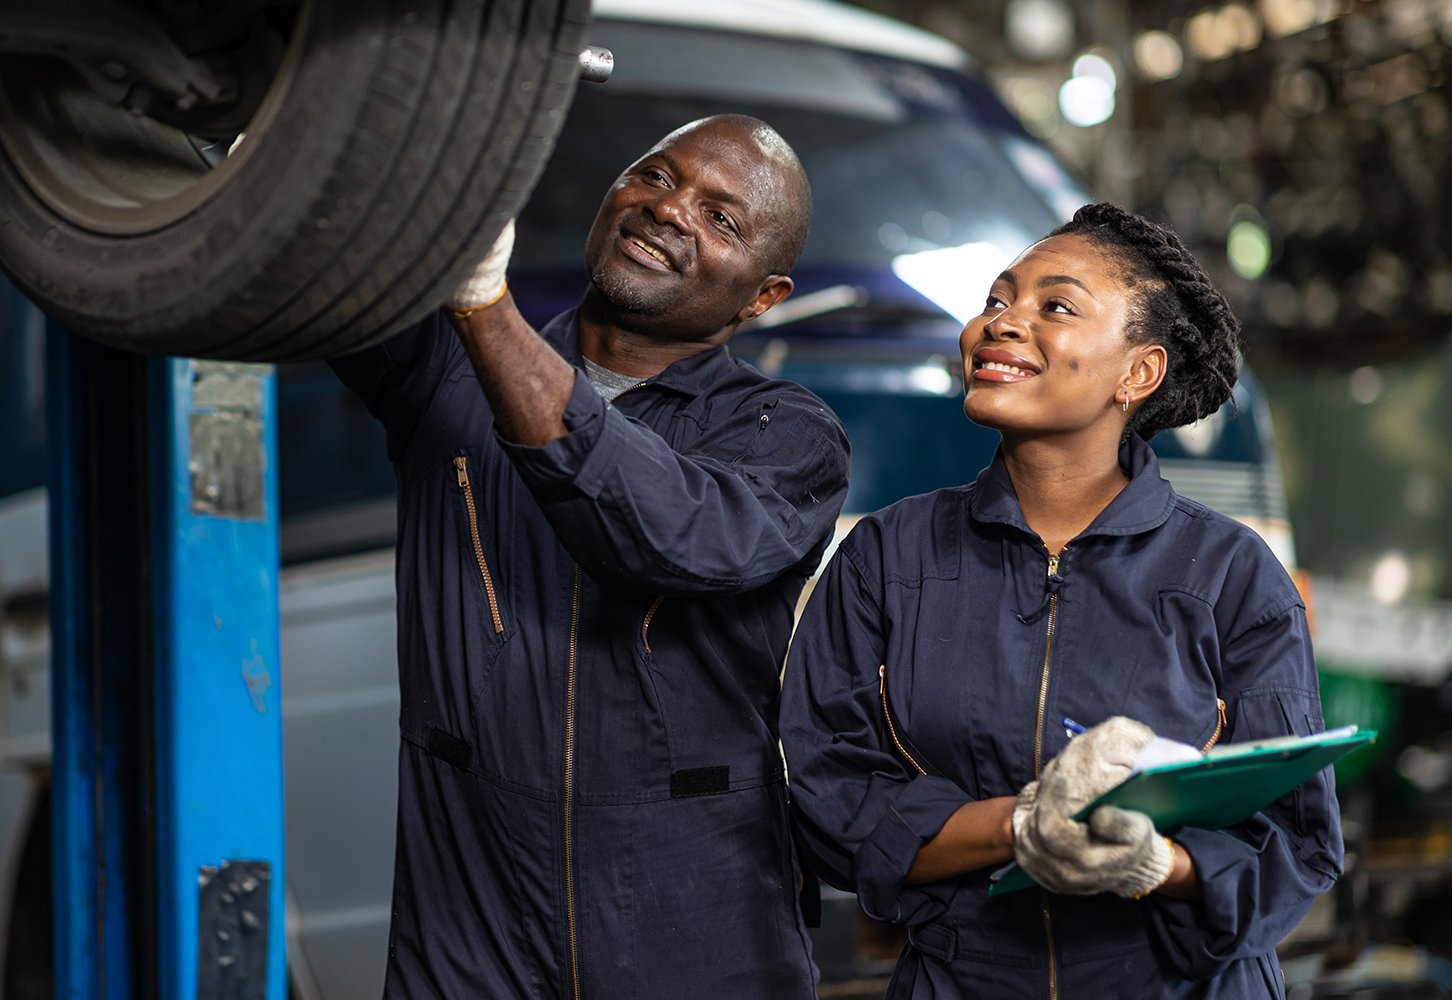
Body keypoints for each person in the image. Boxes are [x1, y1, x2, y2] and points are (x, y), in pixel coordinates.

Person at [330, 115, 849, 1000]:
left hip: (698, 935)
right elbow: (303, 257)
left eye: (722, 220)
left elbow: (662, 535)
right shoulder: (441, 369)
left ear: (763, 297)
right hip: (468, 928)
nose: (669, 210)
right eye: (655, 175)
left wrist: (483, 303)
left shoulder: (785, 438)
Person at [780, 203, 1342, 998]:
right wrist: (1024, 824)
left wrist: (1157, 864)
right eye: (998, 300)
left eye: (1056, 306)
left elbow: (1298, 842)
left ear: (1137, 373)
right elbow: (828, 798)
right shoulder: (887, 556)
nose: (1001, 323)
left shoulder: (1231, 573)